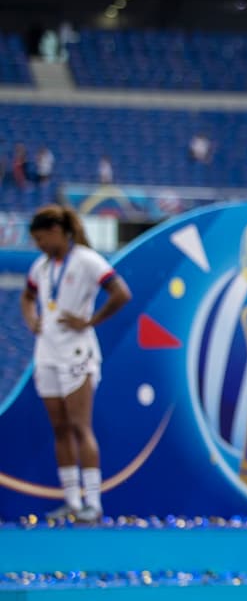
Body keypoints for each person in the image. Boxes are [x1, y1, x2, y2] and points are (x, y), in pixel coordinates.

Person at [20, 204, 132, 523]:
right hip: (47, 353)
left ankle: (93, 503)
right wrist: (31, 319)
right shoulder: (41, 267)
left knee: (81, 427)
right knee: (60, 429)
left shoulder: (86, 260)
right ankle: (72, 501)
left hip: (77, 354)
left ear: (56, 231)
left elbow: (121, 293)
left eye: (41, 239)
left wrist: (90, 321)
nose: (39, 246)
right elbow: (27, 297)